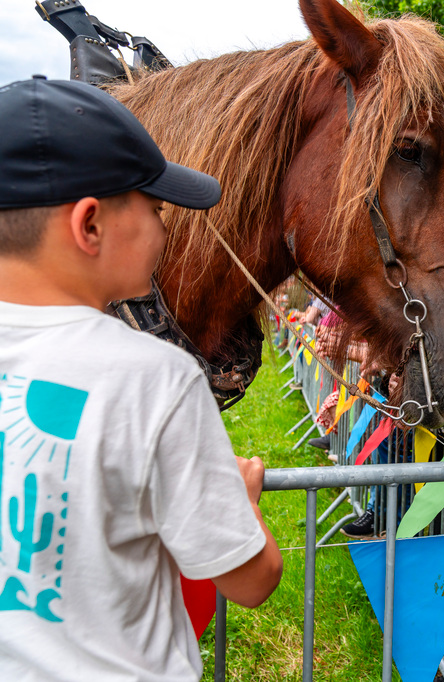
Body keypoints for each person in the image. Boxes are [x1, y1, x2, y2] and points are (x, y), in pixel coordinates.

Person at [0, 76, 283, 680]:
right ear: (90, 225)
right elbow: (250, 580)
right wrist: (244, 506)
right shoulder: (156, 378)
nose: (165, 231)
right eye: (156, 210)